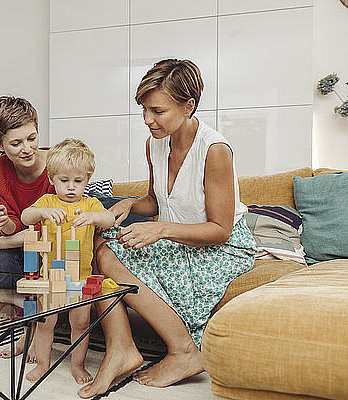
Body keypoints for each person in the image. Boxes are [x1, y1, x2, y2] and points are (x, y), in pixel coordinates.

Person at [77, 59, 257, 398]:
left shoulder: (214, 150)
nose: (148, 120)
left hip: (222, 246)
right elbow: (157, 200)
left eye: (158, 111)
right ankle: (122, 349)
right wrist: (130, 204)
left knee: (113, 257)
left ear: (188, 106)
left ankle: (184, 352)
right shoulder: (155, 143)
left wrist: (159, 231)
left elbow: (220, 229)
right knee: (102, 246)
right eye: (144, 110)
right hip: (181, 238)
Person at [20, 138, 115, 384]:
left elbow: (109, 220)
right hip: (50, 278)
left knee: (80, 322)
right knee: (45, 321)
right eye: (64, 181)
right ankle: (42, 363)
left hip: (79, 278)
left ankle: (77, 365)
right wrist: (41, 212)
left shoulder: (89, 204)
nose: (71, 187)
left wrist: (94, 217)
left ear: (87, 179)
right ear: (52, 179)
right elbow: (25, 216)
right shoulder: (48, 201)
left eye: (78, 181)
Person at [0, 95, 54, 362]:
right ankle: (25, 330)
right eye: (16, 143)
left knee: (12, 253)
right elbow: (13, 226)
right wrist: (3, 224)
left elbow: (48, 229)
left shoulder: (56, 164)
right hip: (21, 242)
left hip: (55, 241)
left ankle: (35, 334)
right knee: (6, 259)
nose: (27, 149)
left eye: (32, 138)